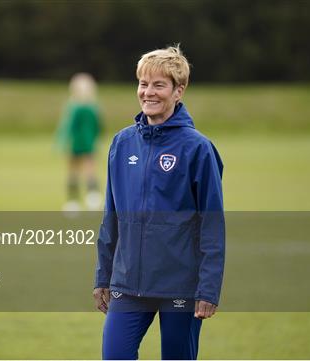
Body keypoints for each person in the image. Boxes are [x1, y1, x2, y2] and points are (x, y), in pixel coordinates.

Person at [93, 46, 225, 360]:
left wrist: (208, 289)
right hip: (128, 283)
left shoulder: (199, 149)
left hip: (179, 286)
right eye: (143, 83)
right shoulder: (122, 143)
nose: (148, 92)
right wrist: (103, 275)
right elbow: (111, 215)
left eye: (158, 85)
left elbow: (212, 224)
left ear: (179, 91)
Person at [56, 73, 102, 211]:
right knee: (77, 172)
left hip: (83, 142)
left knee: (83, 171)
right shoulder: (88, 106)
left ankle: (86, 200)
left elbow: (68, 127)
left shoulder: (81, 107)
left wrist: (63, 141)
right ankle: (77, 201)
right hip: (80, 142)